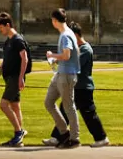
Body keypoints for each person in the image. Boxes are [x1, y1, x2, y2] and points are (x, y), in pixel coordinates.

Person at [42, 8, 81, 149]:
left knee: (69, 106)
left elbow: (66, 55)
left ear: (55, 20)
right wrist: (56, 61)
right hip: (61, 73)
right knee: (49, 102)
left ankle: (74, 138)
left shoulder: (65, 35)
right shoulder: (67, 33)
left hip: (67, 75)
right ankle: (64, 132)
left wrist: (52, 56)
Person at [0, 11, 30, 147]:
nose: (0, 30)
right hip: (9, 77)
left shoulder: (18, 40)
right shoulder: (9, 41)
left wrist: (21, 78)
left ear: (7, 25)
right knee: (15, 106)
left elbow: (24, 59)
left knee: (3, 105)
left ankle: (18, 132)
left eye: (1, 28)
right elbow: (8, 58)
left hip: (14, 78)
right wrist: (0, 67)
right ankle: (20, 134)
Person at [69, 21, 110, 147]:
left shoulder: (85, 50)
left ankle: (101, 138)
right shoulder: (79, 49)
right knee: (65, 110)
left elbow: (75, 66)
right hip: (77, 86)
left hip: (83, 87)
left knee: (89, 114)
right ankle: (56, 136)